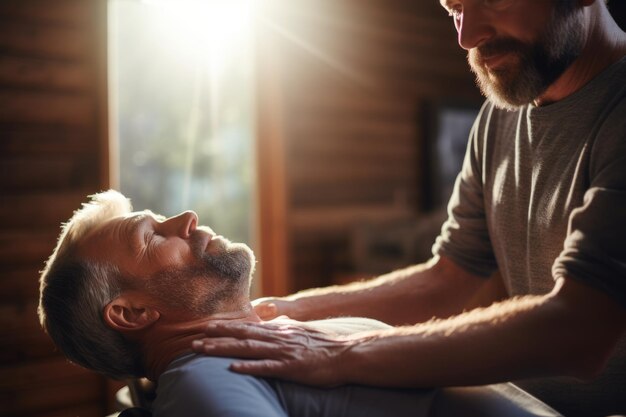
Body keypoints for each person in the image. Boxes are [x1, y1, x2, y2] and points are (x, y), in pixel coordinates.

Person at [190, 1, 626, 416]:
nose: (468, 37)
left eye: (493, 0)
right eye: (455, 10)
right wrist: (274, 313)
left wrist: (340, 354)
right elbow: (447, 278)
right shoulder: (499, 120)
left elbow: (581, 330)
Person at [38, 190, 562, 417]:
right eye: (153, 237)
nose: (188, 218)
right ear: (133, 313)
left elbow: (442, 283)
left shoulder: (277, 333)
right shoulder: (206, 379)